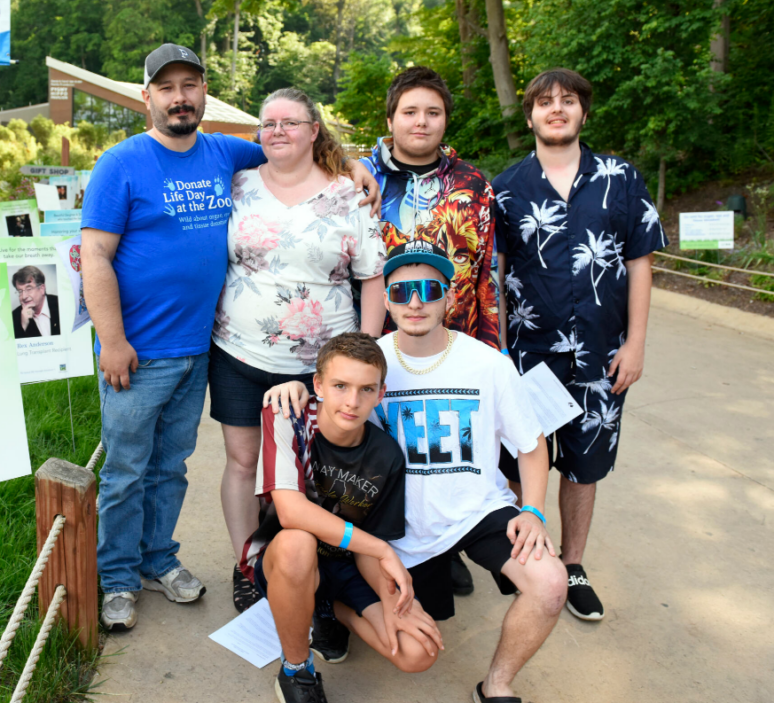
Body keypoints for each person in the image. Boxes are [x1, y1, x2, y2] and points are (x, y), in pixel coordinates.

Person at [81, 43, 381, 632]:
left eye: (190, 85)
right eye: (166, 88)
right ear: (147, 97)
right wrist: (111, 339)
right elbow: (95, 253)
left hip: (199, 349)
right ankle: (116, 576)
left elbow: (292, 148)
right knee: (125, 470)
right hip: (138, 351)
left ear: (203, 93)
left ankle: (157, 560)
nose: (179, 97)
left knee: (172, 466)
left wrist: (352, 165)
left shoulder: (226, 154)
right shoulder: (120, 163)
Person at [266, 241, 568, 703]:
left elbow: (530, 445)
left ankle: (498, 685)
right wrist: (293, 388)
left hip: (476, 510)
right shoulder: (373, 361)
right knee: (416, 649)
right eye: (402, 290)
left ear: (450, 297)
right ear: (385, 299)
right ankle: (327, 606)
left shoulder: (489, 364)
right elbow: (332, 395)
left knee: (550, 583)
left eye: (429, 289)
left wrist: (533, 509)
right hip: (394, 526)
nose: (415, 301)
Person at [493, 68, 668, 622]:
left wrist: (636, 344)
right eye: (545, 103)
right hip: (529, 355)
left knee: (585, 467)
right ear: (530, 117)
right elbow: (492, 276)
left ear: (583, 113)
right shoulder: (506, 188)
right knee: (521, 459)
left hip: (602, 355)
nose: (557, 109)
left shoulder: (622, 178)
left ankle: (572, 565)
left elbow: (641, 264)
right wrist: (496, 352)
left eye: (568, 101)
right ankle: (526, 559)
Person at [211, 88, 388, 613]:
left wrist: (369, 354)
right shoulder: (237, 184)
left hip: (322, 367)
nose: (278, 131)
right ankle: (249, 565)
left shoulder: (348, 194)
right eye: (268, 124)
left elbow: (373, 276)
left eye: (290, 122)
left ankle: (319, 574)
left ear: (315, 129)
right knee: (244, 464)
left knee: (315, 476)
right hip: (239, 356)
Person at [360, 66, 503, 596]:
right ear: (391, 118)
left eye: (433, 112)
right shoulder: (359, 177)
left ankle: (449, 544)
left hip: (452, 341)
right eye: (410, 111)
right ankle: (385, 548)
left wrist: (491, 347)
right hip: (380, 340)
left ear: (446, 120)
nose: (422, 122)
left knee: (444, 445)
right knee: (384, 444)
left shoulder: (472, 184)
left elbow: (486, 271)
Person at [245, 332, 441, 703]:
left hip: (347, 565)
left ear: (380, 394)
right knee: (298, 542)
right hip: (285, 561)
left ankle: (330, 611)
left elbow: (369, 545)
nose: (352, 402)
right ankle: (297, 669)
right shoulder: (288, 417)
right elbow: (290, 510)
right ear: (317, 384)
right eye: (340, 386)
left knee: (418, 652)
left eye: (366, 390)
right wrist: (383, 550)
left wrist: (392, 603)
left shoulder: (387, 455)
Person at [11, 265, 61, 338]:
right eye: (20, 291)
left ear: (42, 289)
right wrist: (23, 326)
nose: (24, 297)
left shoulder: (60, 303)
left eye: (29, 289)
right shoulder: (14, 317)